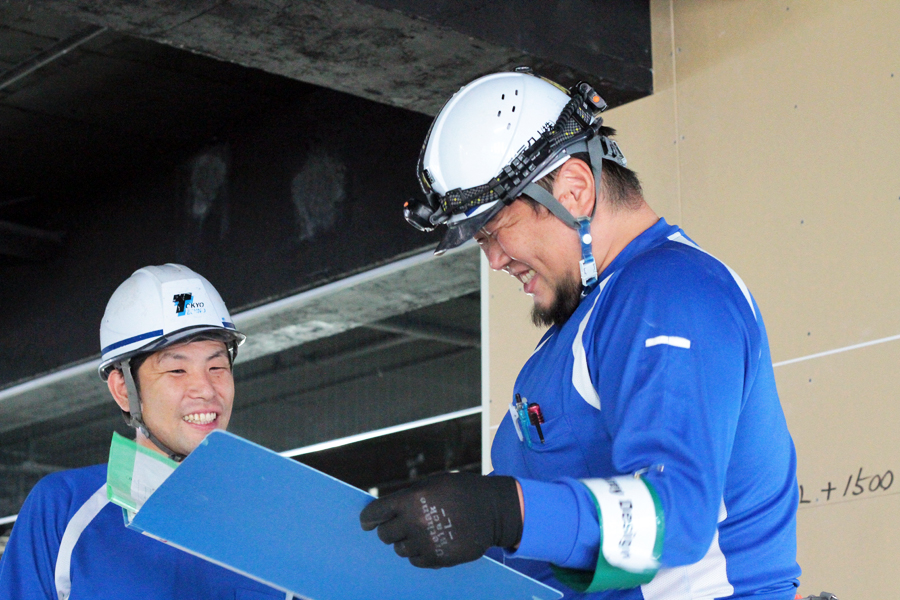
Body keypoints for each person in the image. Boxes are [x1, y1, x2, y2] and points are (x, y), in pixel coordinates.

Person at [360, 69, 801, 599]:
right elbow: (556, 549)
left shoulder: (670, 294)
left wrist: (500, 511)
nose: (494, 260)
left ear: (573, 190)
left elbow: (678, 514)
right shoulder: (591, 318)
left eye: (494, 231)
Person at [0, 264, 289, 600]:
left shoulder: (277, 527)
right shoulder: (65, 507)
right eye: (177, 370)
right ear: (124, 389)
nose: (206, 389)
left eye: (217, 367)